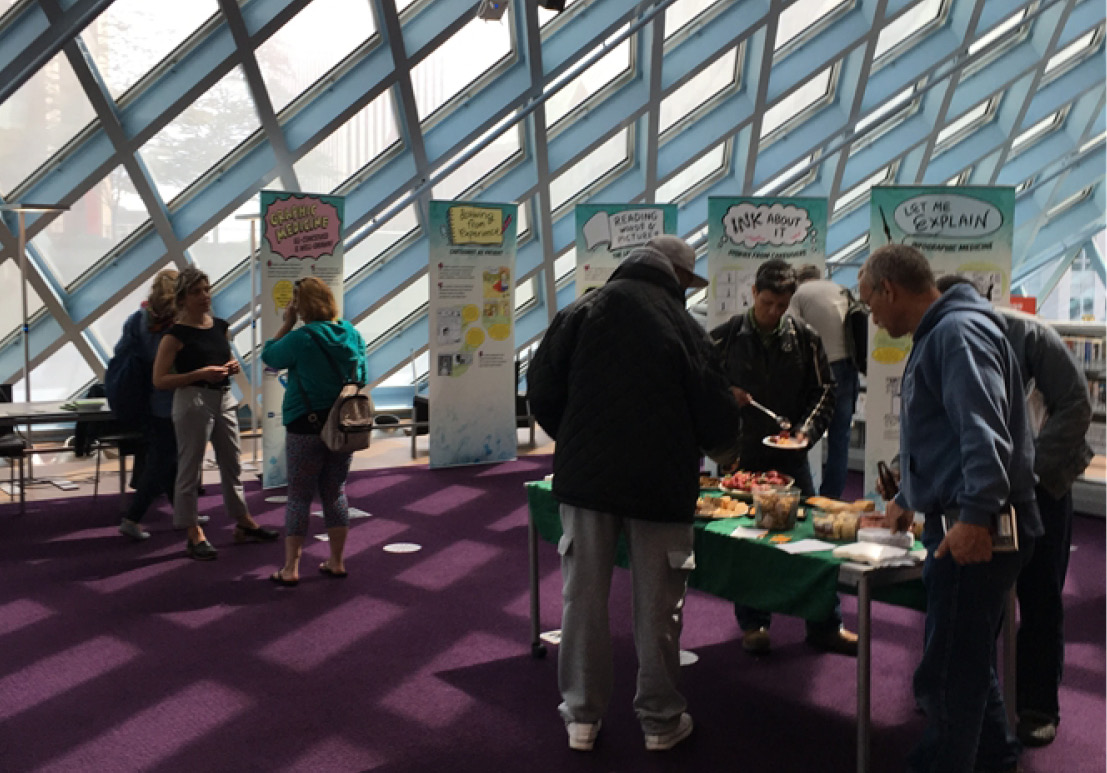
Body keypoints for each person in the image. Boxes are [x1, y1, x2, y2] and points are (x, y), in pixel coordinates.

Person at [527, 235, 742, 753]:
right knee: (658, 607)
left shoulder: (581, 311)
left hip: (586, 485)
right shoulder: (685, 328)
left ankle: (582, 716)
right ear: (677, 277)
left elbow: (541, 388)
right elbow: (715, 414)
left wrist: (576, 441)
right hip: (660, 486)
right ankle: (660, 721)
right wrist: (723, 449)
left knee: (582, 599)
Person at [860, 245, 1042, 773]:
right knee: (967, 658)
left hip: (978, 527)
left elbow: (983, 434)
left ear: (890, 289)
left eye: (871, 303)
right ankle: (995, 757)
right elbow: (942, 436)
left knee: (946, 675)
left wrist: (974, 516)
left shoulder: (956, 333)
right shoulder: (948, 330)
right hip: (968, 518)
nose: (873, 317)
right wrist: (906, 500)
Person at [935, 274, 1093, 748]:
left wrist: (1028, 471)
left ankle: (1038, 705)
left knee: (1040, 593)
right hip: (982, 487)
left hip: (1043, 483)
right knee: (979, 594)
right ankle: (974, 697)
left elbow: (1076, 406)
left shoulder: (1030, 334)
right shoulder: (945, 338)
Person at [710, 259, 856, 656]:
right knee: (747, 543)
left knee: (811, 539)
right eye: (767, 303)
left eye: (781, 305)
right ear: (753, 293)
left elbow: (826, 391)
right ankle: (754, 623)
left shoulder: (806, 338)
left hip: (791, 456)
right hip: (741, 457)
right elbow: (700, 387)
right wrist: (726, 395)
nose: (774, 312)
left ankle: (825, 624)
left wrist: (805, 431)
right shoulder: (723, 338)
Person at [152, 266, 278, 560]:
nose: (205, 296)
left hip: (223, 397)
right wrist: (198, 374)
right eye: (197, 292)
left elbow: (224, 356)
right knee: (190, 467)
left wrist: (231, 366)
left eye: (207, 290)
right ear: (183, 299)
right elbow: (159, 380)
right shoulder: (174, 336)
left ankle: (243, 520)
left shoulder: (220, 326)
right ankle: (193, 531)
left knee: (232, 463)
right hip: (192, 399)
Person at [261, 277, 368, 586]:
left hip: (303, 425)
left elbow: (270, 357)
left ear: (301, 306)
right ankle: (337, 561)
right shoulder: (352, 334)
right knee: (335, 492)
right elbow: (361, 375)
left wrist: (286, 324)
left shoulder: (301, 338)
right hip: (342, 426)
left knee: (299, 496)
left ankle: (291, 568)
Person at [788, 264, 861, 499]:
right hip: (848, 367)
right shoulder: (841, 289)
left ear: (798, 280)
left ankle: (803, 492)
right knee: (840, 438)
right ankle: (831, 497)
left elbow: (791, 331)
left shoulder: (799, 295)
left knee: (802, 433)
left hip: (819, 369)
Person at [118, 269, 181, 540]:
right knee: (162, 460)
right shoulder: (177, 324)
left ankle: (183, 511)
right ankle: (132, 517)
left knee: (167, 457)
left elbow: (122, 353)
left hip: (148, 398)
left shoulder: (137, 320)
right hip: (173, 396)